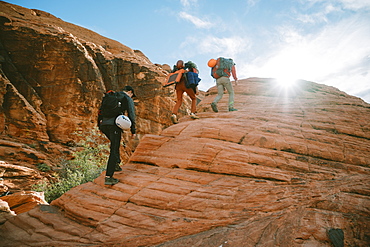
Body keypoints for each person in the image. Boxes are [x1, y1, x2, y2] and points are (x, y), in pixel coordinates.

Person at [98, 86, 136, 185]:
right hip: (114, 126)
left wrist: (100, 125)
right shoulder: (126, 98)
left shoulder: (111, 95)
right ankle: (108, 177)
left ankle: (116, 164)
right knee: (114, 148)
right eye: (132, 95)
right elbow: (131, 114)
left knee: (115, 144)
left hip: (104, 125)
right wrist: (133, 130)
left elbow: (100, 110)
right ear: (130, 92)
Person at [170, 60, 199, 124]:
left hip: (178, 87)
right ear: (183, 65)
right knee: (194, 98)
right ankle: (193, 113)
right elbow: (191, 81)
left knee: (179, 100)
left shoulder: (176, 72)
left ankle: (174, 114)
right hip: (185, 85)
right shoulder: (185, 71)